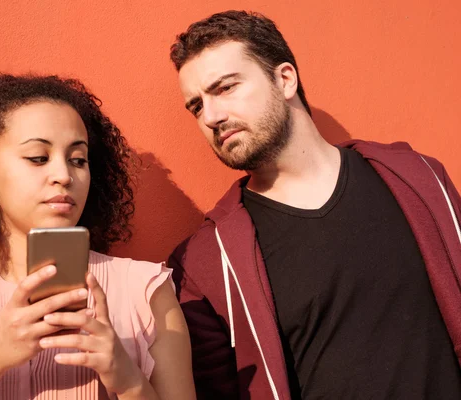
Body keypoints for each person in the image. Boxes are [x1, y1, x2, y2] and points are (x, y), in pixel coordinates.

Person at [168, 10, 461, 400]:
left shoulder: (418, 178)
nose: (211, 116)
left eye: (225, 88)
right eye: (196, 106)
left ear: (284, 78)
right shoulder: (204, 263)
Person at [0, 73, 195, 400]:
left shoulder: (146, 291)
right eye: (38, 157)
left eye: (78, 160)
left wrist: (127, 378)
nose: (64, 175)